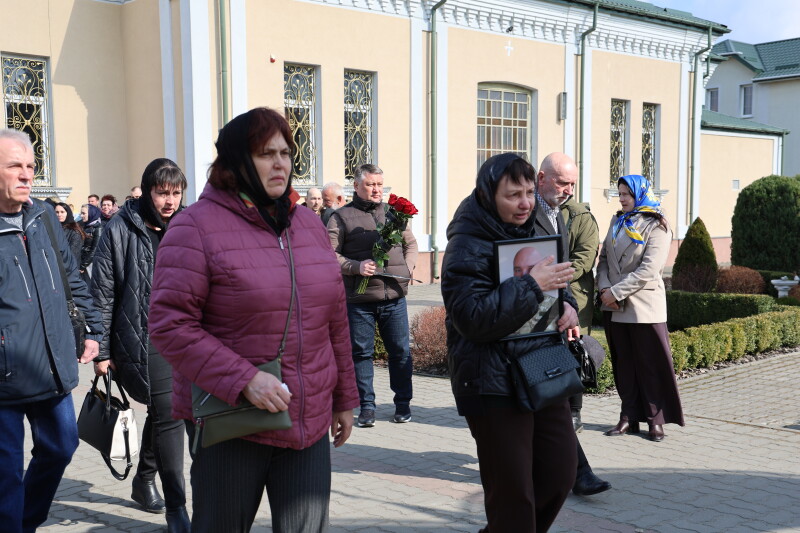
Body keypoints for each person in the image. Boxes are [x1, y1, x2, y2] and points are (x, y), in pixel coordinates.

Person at [147, 107, 359, 532]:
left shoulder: (307, 224)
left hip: (308, 418)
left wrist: (344, 398)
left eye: (285, 152)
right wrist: (245, 379)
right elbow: (170, 325)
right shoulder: (194, 227)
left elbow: (334, 317)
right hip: (233, 421)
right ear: (236, 162)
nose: (280, 163)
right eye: (265, 153)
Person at [441, 152, 579, 533]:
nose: (525, 203)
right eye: (513, 195)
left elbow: (556, 287)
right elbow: (471, 318)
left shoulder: (536, 226)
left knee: (560, 474)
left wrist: (566, 306)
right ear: (488, 195)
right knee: (513, 496)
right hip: (491, 379)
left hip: (540, 366)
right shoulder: (466, 243)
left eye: (530, 193)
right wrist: (532, 285)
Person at [0, 128, 102, 533]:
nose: (26, 175)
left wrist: (92, 330)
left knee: (62, 446)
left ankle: (27, 521)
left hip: (53, 362)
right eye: (14, 167)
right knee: (6, 474)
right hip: (4, 376)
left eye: (30, 167)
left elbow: (73, 278)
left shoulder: (43, 215)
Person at [91, 159, 190, 532]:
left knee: (168, 414)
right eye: (162, 193)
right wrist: (100, 350)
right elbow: (101, 292)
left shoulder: (188, 224)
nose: (169, 201)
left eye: (176, 193)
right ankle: (177, 509)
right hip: (143, 336)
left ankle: (144, 478)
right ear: (148, 190)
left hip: (188, 335)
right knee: (169, 411)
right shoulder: (119, 228)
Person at [536, 152, 610, 497]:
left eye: (572, 185)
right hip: (522, 328)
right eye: (562, 182)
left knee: (553, 403)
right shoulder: (525, 213)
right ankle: (572, 474)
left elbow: (564, 267)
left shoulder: (561, 216)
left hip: (550, 322)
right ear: (541, 178)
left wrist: (567, 306)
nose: (568, 190)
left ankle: (576, 474)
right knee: (545, 406)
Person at [328, 164, 418, 427]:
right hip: (360, 300)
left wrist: (409, 266)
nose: (377, 189)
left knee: (400, 352)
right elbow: (328, 254)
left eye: (379, 184)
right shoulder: (340, 217)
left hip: (395, 297)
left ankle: (403, 404)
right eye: (371, 184)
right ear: (356, 186)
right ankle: (367, 407)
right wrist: (355, 267)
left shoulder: (394, 213)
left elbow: (410, 243)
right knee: (361, 354)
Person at [597, 174, 685, 442]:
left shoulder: (656, 225)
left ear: (640, 195)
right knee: (624, 366)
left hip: (644, 307)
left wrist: (614, 292)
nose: (621, 198)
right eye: (620, 193)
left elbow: (649, 270)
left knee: (650, 366)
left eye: (626, 194)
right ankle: (628, 416)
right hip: (614, 306)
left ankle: (655, 420)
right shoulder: (617, 221)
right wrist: (603, 289)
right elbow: (603, 260)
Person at [512, 247, 559, 334]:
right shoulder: (505, 304)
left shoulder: (555, 304)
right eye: (518, 270)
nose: (524, 275)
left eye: (531, 269)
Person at [79, 203, 103, 283]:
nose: (81, 215)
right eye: (81, 213)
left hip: (90, 263)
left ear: (91, 213)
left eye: (84, 213)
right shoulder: (84, 226)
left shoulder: (98, 228)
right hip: (83, 261)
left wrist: (83, 265)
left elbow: (95, 249)